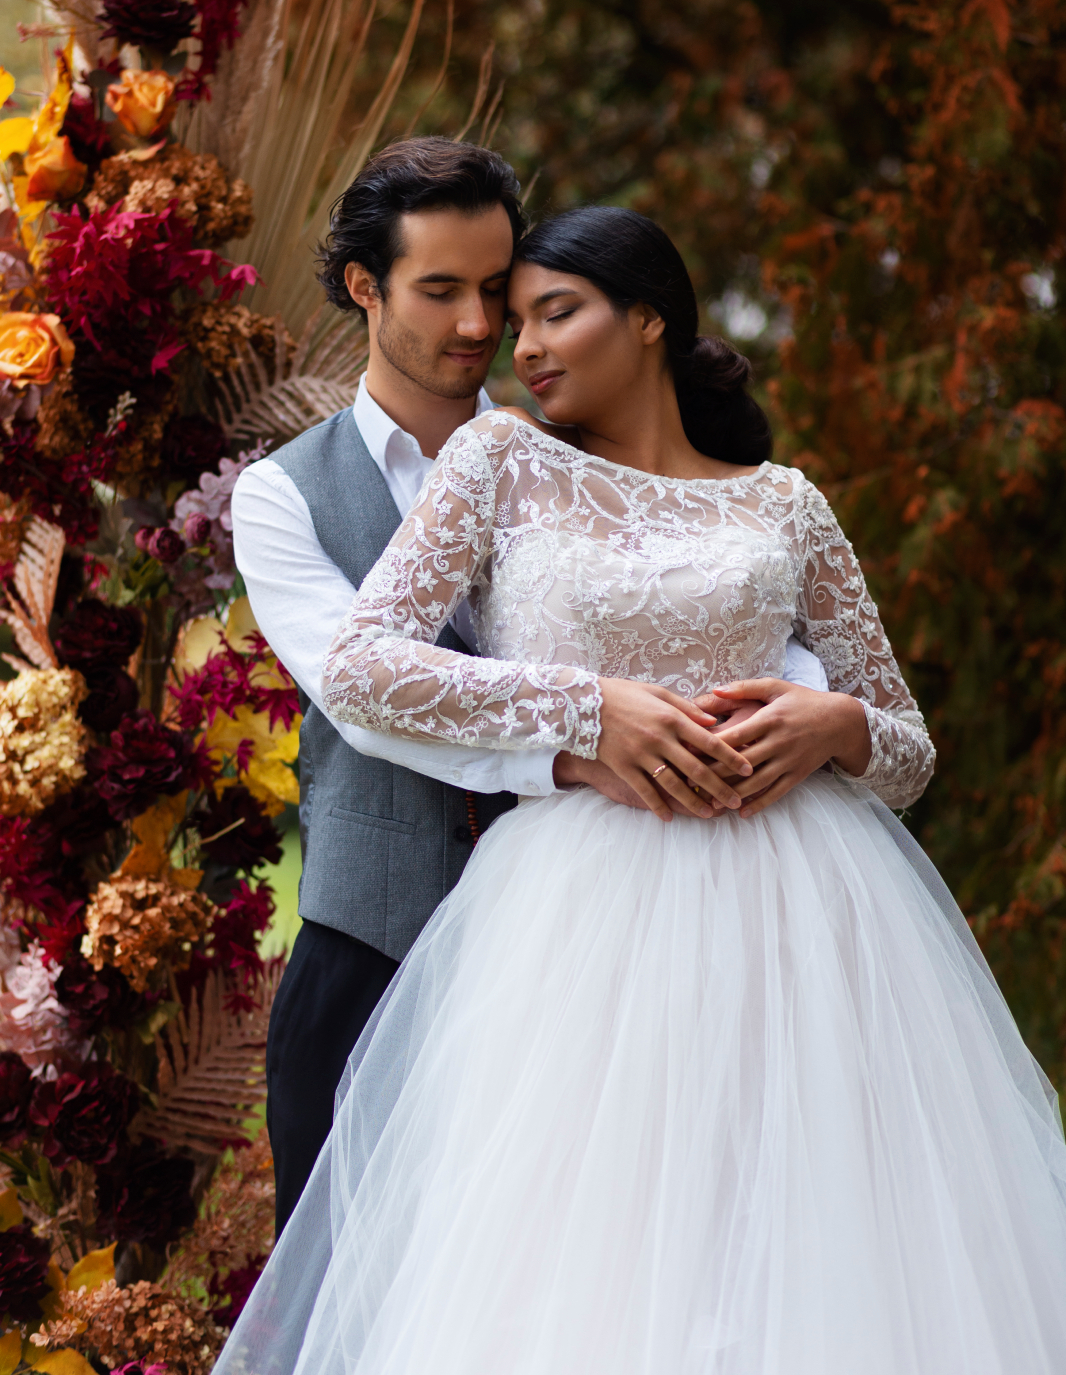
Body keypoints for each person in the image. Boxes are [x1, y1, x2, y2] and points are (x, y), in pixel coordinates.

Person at [220, 205, 1066, 1374]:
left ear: (650, 316)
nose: (520, 347)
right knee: (593, 1253)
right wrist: (582, 710)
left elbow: (909, 753)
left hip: (807, 919)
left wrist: (835, 725)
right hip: (581, 919)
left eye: (552, 312)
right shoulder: (499, 460)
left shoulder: (787, 504)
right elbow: (364, 668)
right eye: (513, 322)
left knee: (808, 1241)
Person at [231, 140, 827, 1230]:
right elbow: (366, 700)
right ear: (365, 288)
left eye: (496, 297)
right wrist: (585, 725)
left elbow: (729, 608)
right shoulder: (280, 497)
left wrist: (795, 707)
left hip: (613, 958)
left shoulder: (582, 446)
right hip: (374, 947)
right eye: (440, 290)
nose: (476, 328)